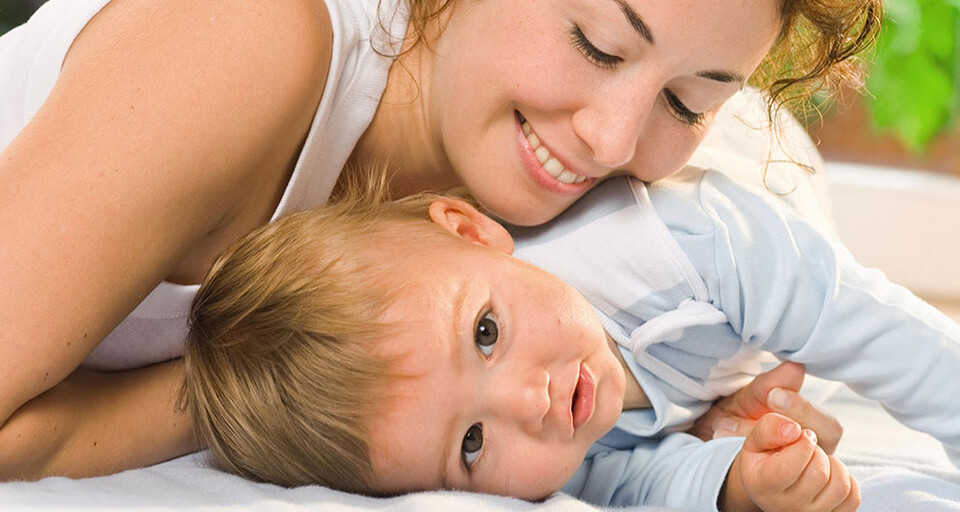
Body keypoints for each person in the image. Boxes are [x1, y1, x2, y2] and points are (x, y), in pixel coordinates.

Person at [0, 0, 879, 478]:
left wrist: (699, 436)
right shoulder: (246, 40)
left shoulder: (575, 197)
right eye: (598, 44)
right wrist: (291, 385)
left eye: (690, 101)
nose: (611, 141)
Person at [180, 172, 960, 511]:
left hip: (773, 195)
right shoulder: (549, 455)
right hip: (731, 362)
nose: (532, 401)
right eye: (472, 444)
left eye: (485, 334)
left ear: (474, 231)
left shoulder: (685, 241)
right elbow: (634, 484)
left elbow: (889, 338)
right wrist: (742, 482)